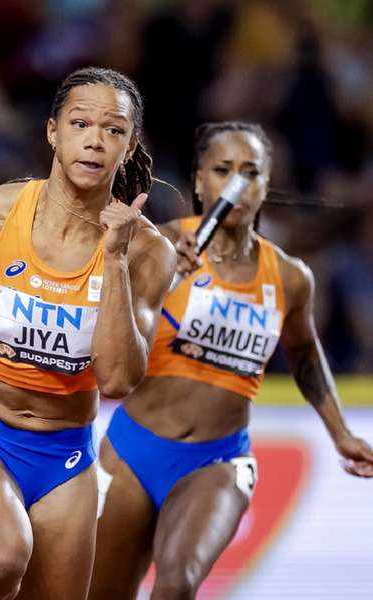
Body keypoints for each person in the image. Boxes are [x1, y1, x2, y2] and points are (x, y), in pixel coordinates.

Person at [0, 67, 176, 600]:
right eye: (80, 123)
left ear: (129, 145)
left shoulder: (145, 252)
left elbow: (117, 380)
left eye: (113, 130)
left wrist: (112, 260)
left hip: (66, 457)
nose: (94, 139)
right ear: (53, 132)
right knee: (3, 557)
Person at [88, 121, 373, 600]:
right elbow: (111, 334)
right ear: (200, 180)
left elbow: (304, 353)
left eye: (251, 171)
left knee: (177, 584)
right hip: (133, 448)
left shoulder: (290, 277)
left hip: (217, 460)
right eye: (223, 170)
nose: (237, 183)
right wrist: (163, 282)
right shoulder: (157, 245)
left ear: (266, 183)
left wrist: (341, 433)